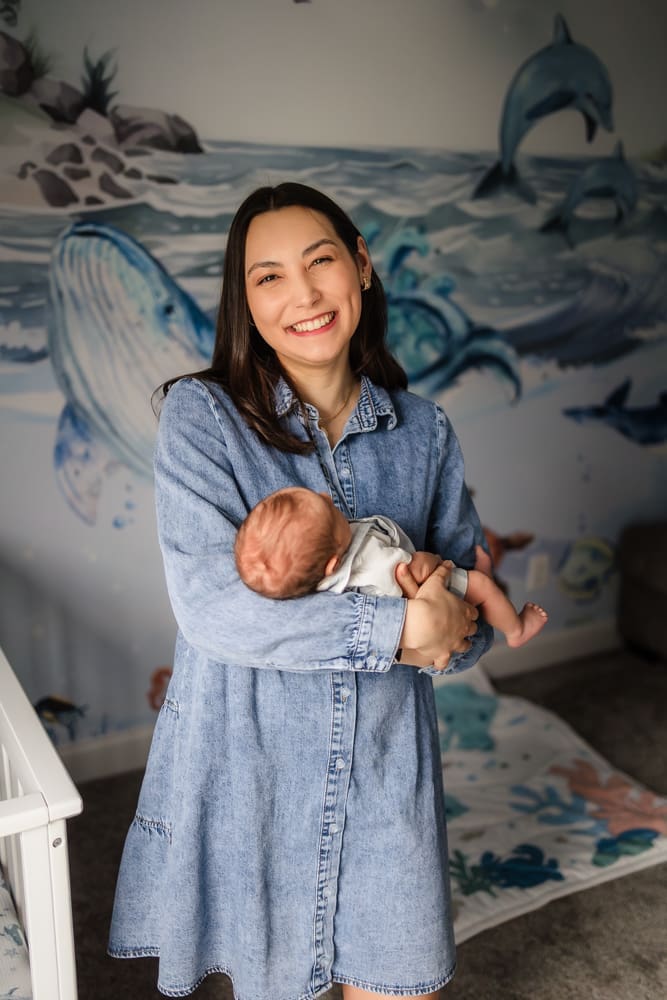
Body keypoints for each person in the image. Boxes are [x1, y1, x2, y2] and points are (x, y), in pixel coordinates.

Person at [108, 182, 494, 1000]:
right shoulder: (202, 417)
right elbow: (214, 610)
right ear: (245, 301)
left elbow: (469, 617)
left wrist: (453, 623)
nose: (302, 295)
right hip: (252, 778)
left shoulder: (423, 432)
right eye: (268, 277)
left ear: (360, 266)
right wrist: (396, 630)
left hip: (390, 778)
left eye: (320, 262)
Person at [235, 485, 548, 648]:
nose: (326, 496)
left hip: (427, 609)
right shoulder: (370, 563)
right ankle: (516, 629)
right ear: (333, 563)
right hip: (434, 601)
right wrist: (431, 562)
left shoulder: (323, 570)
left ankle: (482, 586)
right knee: (480, 587)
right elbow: (410, 575)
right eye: (330, 509)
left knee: (475, 584)